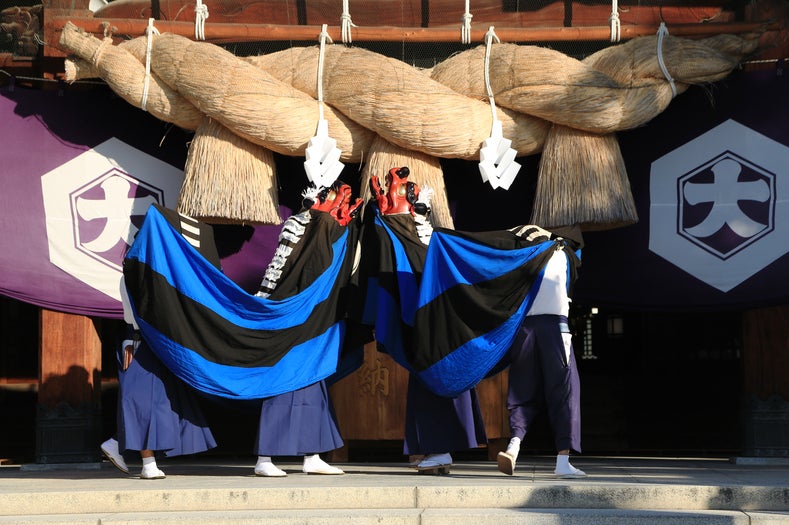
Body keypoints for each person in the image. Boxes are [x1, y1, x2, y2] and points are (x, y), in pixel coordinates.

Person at [250, 181, 361, 477]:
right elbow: (281, 266)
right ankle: (264, 458)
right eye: (334, 197)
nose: (339, 203)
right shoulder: (298, 223)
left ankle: (312, 455)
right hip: (290, 312)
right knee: (281, 385)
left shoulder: (337, 227)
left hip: (318, 316)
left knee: (313, 384)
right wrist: (265, 302)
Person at [497, 226, 585, 478]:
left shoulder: (523, 257)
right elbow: (577, 255)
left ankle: (513, 446)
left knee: (522, 388)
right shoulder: (564, 253)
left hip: (524, 329)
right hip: (555, 328)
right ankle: (563, 461)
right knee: (565, 391)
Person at [101, 324, 217, 479]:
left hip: (158, 343)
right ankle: (148, 463)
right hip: (140, 342)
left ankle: (116, 443)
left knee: (164, 402)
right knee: (144, 403)